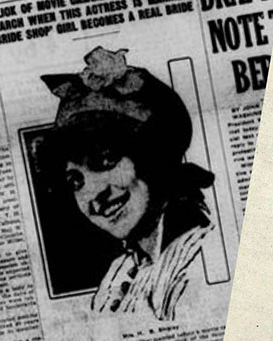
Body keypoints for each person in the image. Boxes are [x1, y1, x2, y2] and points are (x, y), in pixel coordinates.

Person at [40, 47, 217, 320]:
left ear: (153, 156)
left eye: (106, 160)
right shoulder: (120, 271)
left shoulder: (205, 254)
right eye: (76, 181)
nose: (94, 194)